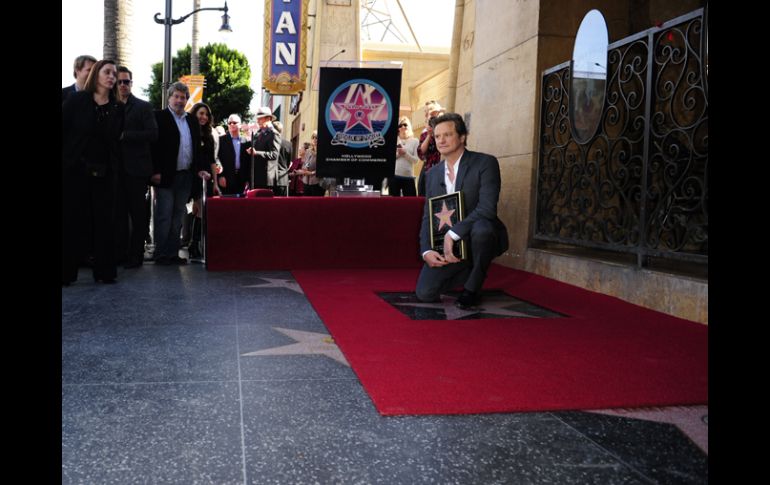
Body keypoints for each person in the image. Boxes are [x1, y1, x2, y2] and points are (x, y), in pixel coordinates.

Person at [416, 113, 509, 309]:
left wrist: (453, 233)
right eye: (438, 136)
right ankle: (474, 267)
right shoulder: (431, 174)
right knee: (425, 293)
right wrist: (426, 250)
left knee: (483, 229)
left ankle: (472, 289)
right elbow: (428, 216)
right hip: (450, 245)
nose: (441, 140)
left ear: (462, 137)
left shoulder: (485, 163)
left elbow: (487, 209)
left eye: (447, 135)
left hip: (479, 235)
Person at [62, 59, 125, 285]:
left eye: (114, 74)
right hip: (74, 170)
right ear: (96, 75)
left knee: (104, 222)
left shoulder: (117, 108)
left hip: (105, 173)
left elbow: (116, 143)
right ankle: (66, 273)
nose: (112, 77)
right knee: (71, 221)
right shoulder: (77, 100)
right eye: (107, 72)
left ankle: (105, 272)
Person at [150, 82, 210, 265]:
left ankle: (172, 254)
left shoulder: (191, 120)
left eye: (183, 97)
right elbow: (153, 147)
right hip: (165, 176)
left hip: (185, 176)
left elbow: (195, 149)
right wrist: (154, 172)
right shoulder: (158, 117)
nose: (179, 100)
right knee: (164, 215)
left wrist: (199, 169)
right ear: (169, 98)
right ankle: (161, 254)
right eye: (176, 96)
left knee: (178, 216)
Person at [115, 66, 158, 269]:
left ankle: (136, 255)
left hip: (137, 170)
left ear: (131, 83)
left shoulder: (143, 106)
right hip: (114, 169)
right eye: (120, 81)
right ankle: (121, 253)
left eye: (126, 81)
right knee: (119, 215)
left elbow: (152, 134)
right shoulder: (110, 105)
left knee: (138, 215)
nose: (123, 85)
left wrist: (126, 135)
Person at [187, 102, 220, 260]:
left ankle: (194, 244)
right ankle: (194, 244)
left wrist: (216, 183)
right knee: (200, 209)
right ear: (194, 114)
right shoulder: (188, 133)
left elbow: (213, 160)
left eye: (206, 114)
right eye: (201, 113)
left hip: (207, 178)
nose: (204, 117)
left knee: (199, 210)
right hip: (193, 175)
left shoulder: (209, 136)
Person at [246, 107, 280, 190]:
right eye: (257, 119)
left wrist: (256, 152)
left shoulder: (274, 134)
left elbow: (274, 154)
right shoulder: (258, 133)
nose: (257, 121)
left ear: (268, 118)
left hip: (266, 178)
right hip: (255, 177)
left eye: (260, 119)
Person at [217, 114, 251, 195]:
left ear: (240, 125)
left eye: (234, 122)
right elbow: (216, 157)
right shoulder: (221, 140)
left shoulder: (246, 141)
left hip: (241, 179)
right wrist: (220, 176)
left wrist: (247, 179)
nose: (232, 124)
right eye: (229, 123)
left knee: (240, 205)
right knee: (226, 205)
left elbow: (248, 162)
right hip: (226, 178)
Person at [416, 102, 445, 196]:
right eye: (426, 112)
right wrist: (429, 134)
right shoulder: (425, 132)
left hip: (443, 167)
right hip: (428, 168)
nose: (427, 114)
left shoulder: (447, 127)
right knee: (423, 195)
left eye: (431, 111)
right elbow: (421, 152)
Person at [389, 116, 419, 196]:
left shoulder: (415, 141)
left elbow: (416, 160)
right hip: (394, 176)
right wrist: (399, 154)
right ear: (398, 128)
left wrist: (405, 154)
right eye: (400, 125)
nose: (403, 127)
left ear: (409, 126)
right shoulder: (394, 140)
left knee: (411, 203)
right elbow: (389, 159)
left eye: (405, 125)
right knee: (393, 204)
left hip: (408, 177)